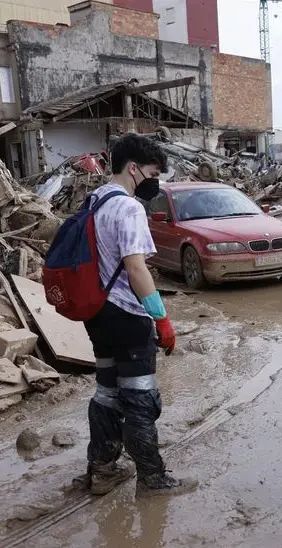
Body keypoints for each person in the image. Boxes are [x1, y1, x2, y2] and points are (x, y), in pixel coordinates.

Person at [81, 133, 196, 498]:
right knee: (140, 398)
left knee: (106, 394)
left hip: (98, 315)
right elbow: (136, 268)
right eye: (152, 171)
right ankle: (152, 479)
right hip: (128, 317)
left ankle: (101, 469)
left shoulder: (94, 200)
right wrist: (161, 318)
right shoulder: (128, 208)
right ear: (133, 168)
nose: (155, 180)